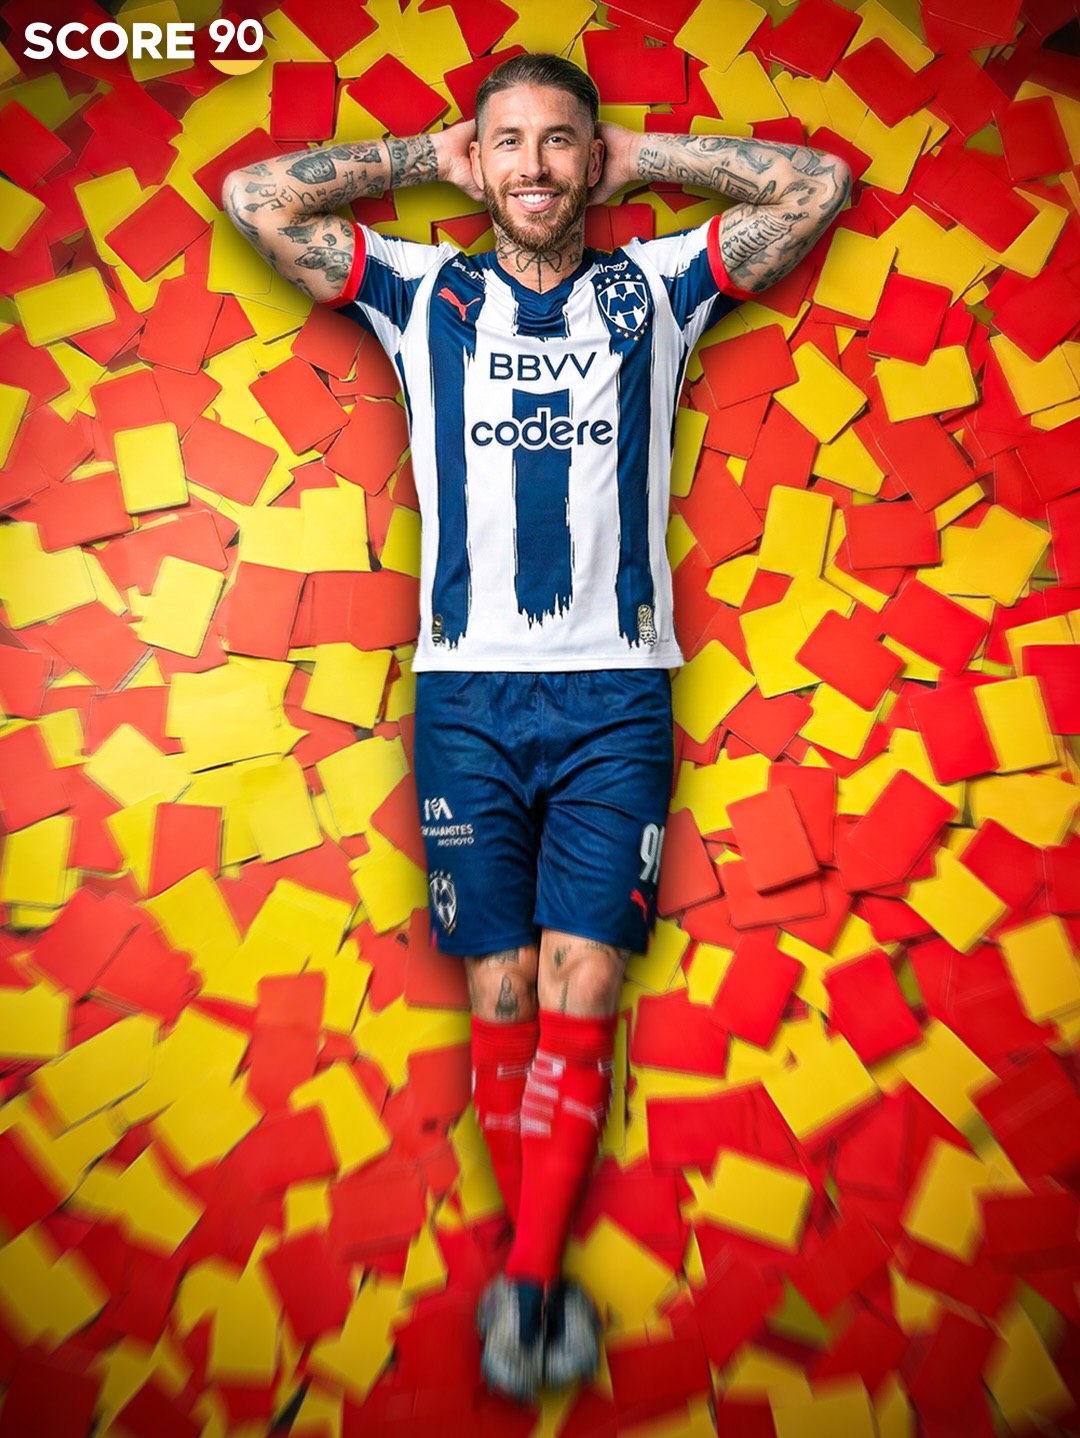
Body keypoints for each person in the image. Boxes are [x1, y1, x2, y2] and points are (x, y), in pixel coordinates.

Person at [222, 52, 850, 1404]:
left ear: (590, 155)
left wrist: (648, 155)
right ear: (479, 156)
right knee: (500, 989)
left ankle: (528, 1281)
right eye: (506, 142)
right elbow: (254, 196)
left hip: (617, 689)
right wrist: (422, 158)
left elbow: (816, 185)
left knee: (583, 981)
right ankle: (533, 1270)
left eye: (561, 141)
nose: (534, 167)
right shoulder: (422, 292)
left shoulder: (657, 288)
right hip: (466, 691)